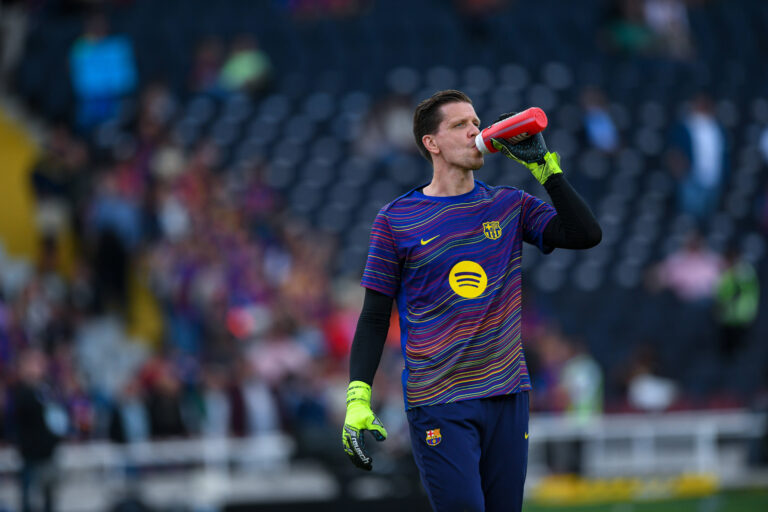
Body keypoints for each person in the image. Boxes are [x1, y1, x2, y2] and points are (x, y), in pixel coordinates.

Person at [341, 90, 602, 512]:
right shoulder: (396, 220)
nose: (475, 131)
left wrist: (544, 167)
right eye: (460, 125)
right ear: (432, 143)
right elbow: (373, 318)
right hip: (439, 400)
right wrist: (357, 398)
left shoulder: (508, 205)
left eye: (477, 123)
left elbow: (586, 235)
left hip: (506, 394)